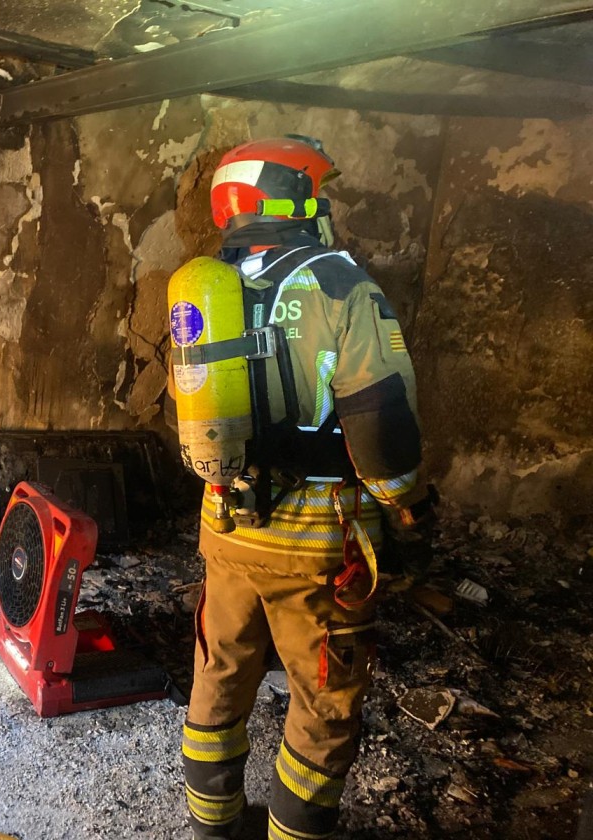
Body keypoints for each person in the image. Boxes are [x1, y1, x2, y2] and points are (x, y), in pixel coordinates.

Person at [175, 135, 437, 840]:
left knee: (221, 672)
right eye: (315, 192)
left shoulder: (206, 288)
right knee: (324, 704)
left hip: (225, 523)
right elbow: (380, 429)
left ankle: (212, 828)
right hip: (317, 543)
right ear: (292, 198)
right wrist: (410, 505)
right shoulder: (340, 283)